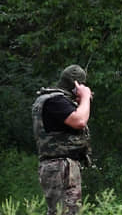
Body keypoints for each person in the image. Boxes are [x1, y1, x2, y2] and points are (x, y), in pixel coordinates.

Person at [31, 65, 93, 215]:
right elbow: (79, 121)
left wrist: (79, 101)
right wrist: (85, 98)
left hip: (57, 166)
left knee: (60, 211)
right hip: (61, 167)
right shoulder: (56, 101)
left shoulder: (51, 99)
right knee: (65, 212)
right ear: (76, 86)